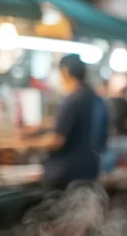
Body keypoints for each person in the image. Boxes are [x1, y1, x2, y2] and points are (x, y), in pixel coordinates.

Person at [30, 54, 109, 191]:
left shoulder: (73, 100)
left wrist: (24, 144)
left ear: (65, 71)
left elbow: (56, 140)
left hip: (66, 174)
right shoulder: (96, 99)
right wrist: (41, 126)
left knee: (63, 209)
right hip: (91, 169)